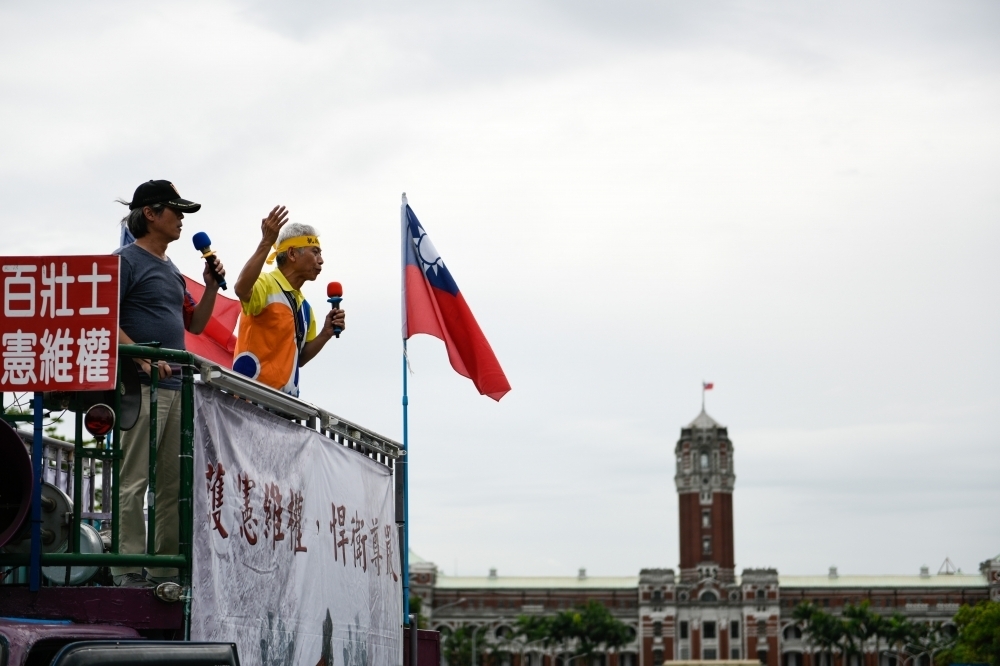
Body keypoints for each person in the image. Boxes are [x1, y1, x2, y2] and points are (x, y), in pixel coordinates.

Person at [111, 180, 226, 587]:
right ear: (150, 214)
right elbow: (103, 316)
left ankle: (162, 574)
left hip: (176, 388)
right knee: (134, 479)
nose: (181, 220)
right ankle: (126, 569)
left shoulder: (173, 271)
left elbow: (195, 323)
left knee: (171, 487)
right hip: (140, 387)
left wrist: (211, 286)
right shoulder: (125, 261)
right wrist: (140, 355)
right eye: (175, 211)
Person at [232, 207, 345, 396]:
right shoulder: (266, 284)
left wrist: (326, 333)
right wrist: (267, 242)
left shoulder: (305, 307)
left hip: (284, 406)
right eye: (315, 252)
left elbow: (298, 358)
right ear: (292, 254)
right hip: (250, 400)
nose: (321, 260)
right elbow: (241, 289)